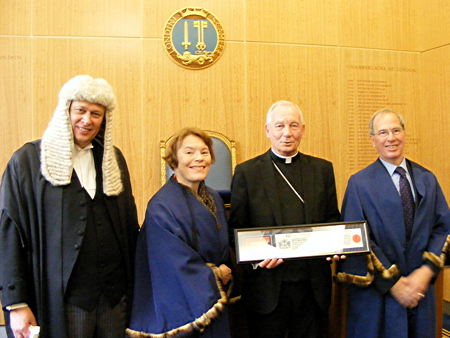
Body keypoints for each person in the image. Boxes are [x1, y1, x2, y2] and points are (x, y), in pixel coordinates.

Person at [0, 75, 139, 338]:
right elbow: (9, 234)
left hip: (114, 300)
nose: (87, 120)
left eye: (96, 113)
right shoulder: (28, 162)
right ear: (66, 111)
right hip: (62, 303)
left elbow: (130, 229)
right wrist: (15, 303)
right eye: (81, 110)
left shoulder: (113, 160)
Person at [229, 100, 341, 338]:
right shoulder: (247, 173)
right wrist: (257, 258)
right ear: (268, 130)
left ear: (303, 129)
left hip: (312, 288)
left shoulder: (322, 170)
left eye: (293, 125)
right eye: (279, 126)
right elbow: (236, 229)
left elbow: (332, 219)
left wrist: (337, 246)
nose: (287, 133)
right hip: (267, 287)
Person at [337, 109, 450, 338]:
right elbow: (356, 239)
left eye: (396, 130)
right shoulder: (359, 184)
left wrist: (425, 273)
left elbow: (443, 227)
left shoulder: (427, 179)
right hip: (377, 296)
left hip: (420, 292)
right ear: (373, 140)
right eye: (383, 132)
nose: (391, 138)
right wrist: (395, 284)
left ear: (404, 134)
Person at [127, 128, 233, 338]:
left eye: (204, 152)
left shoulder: (214, 197)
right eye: (189, 152)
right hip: (182, 308)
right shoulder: (161, 206)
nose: (199, 158)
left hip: (215, 301)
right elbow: (174, 265)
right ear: (173, 160)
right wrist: (216, 274)